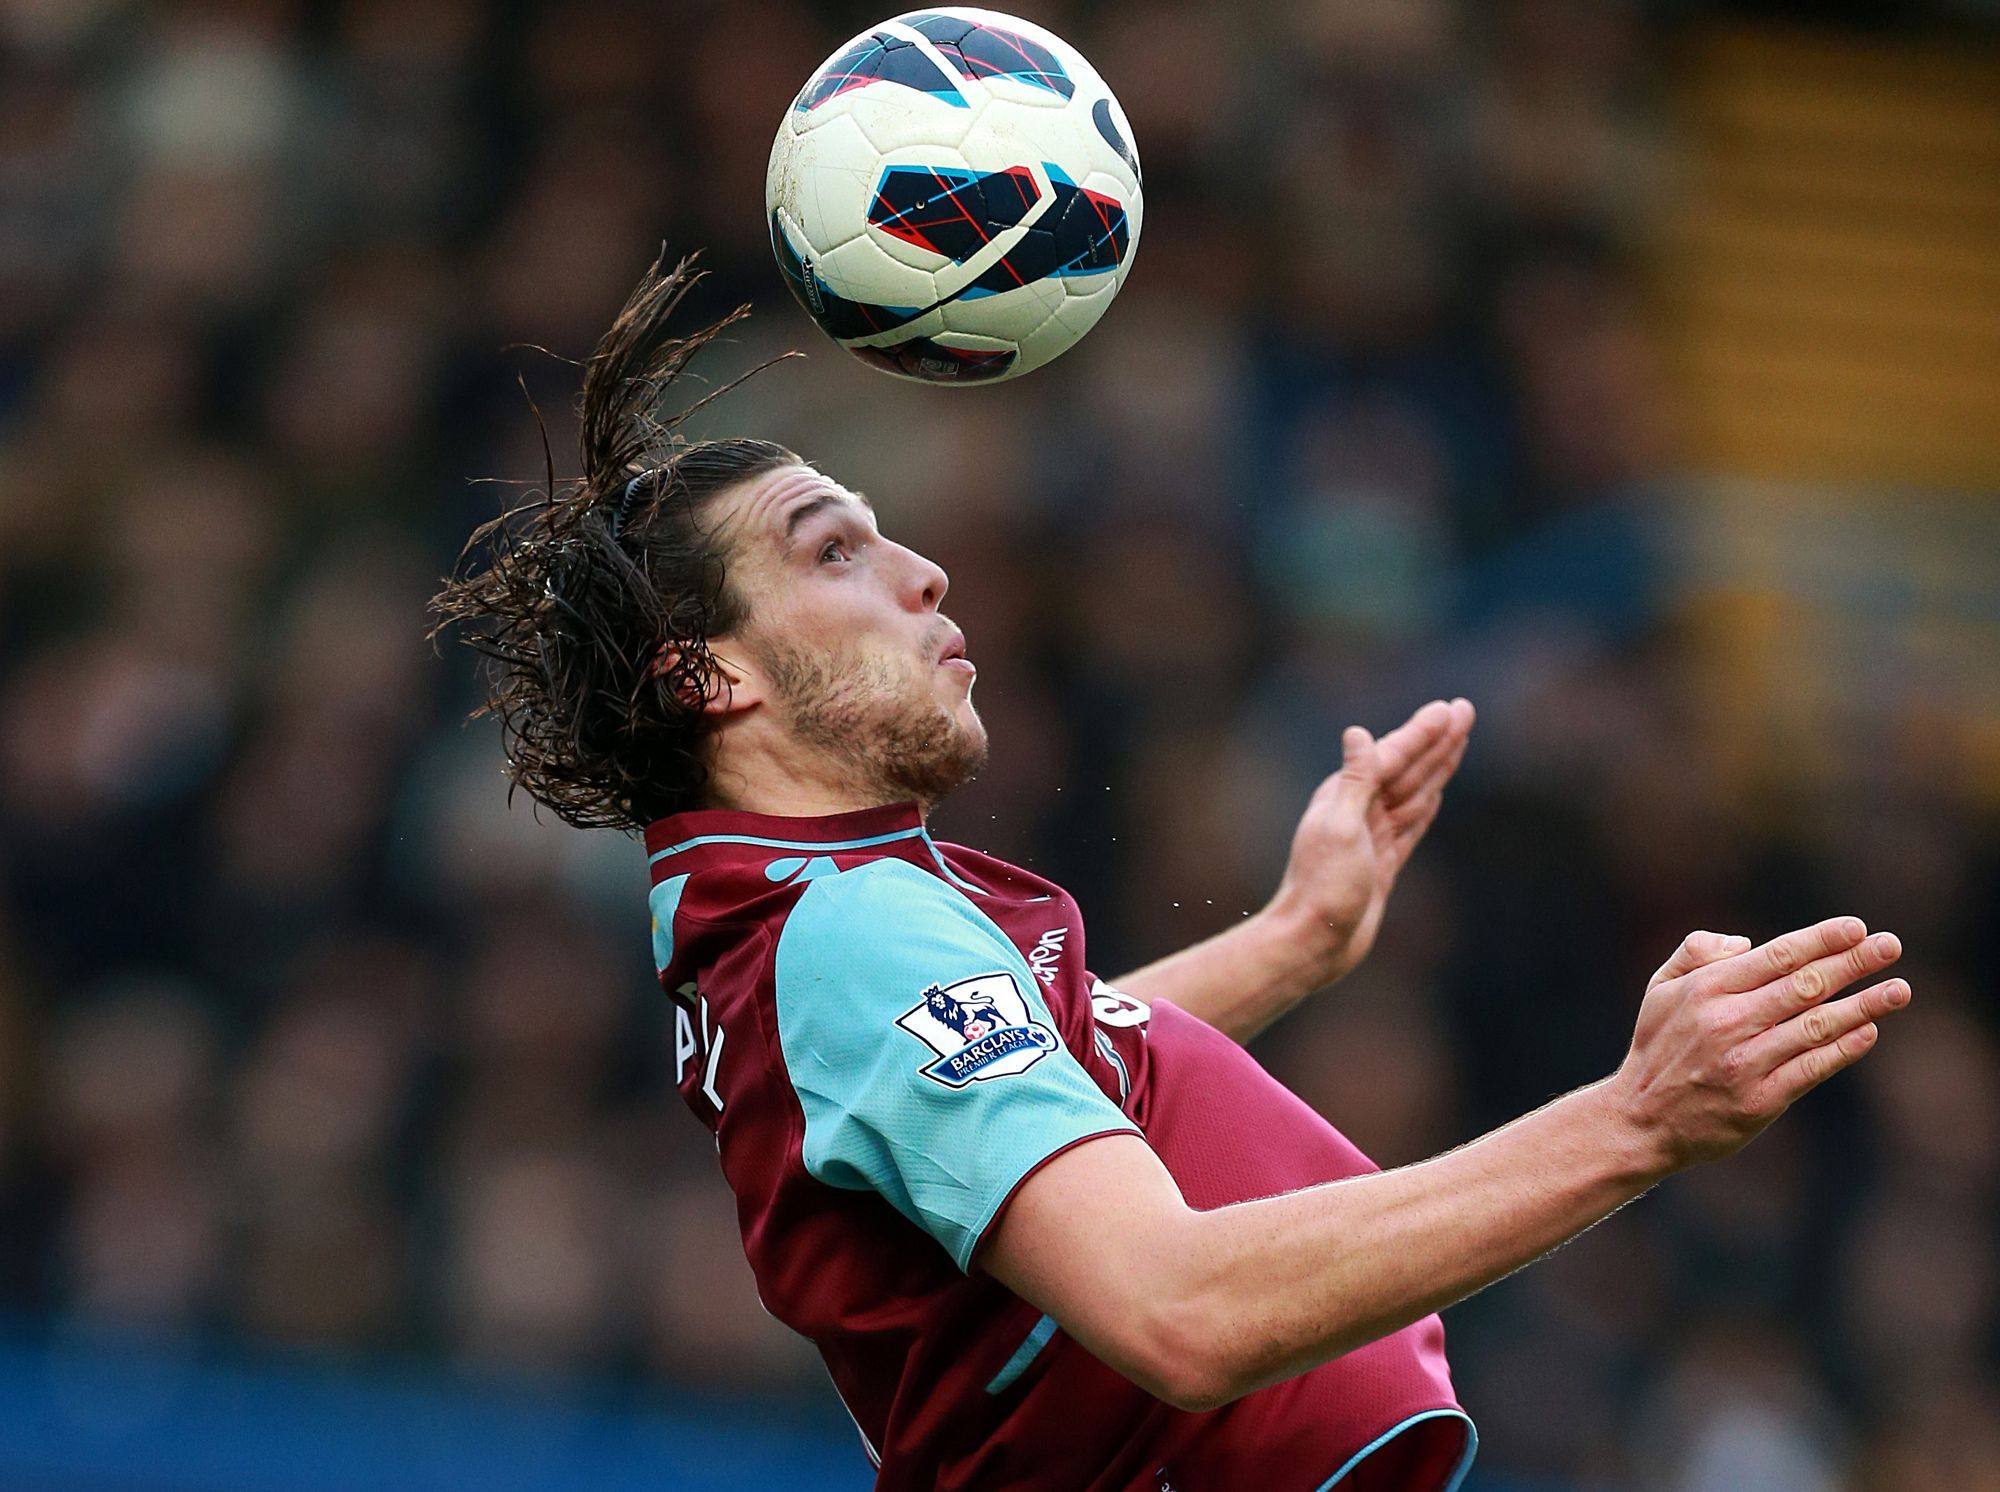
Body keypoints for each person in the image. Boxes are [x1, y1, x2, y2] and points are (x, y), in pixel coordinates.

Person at [432, 257, 1911, 1491]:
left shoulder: (803, 914)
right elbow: (1178, 1309)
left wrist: (1294, 939)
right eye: (833, 554)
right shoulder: (852, 928)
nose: (923, 573)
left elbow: (1027, 1074)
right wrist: (1635, 1121)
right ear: (708, 680)